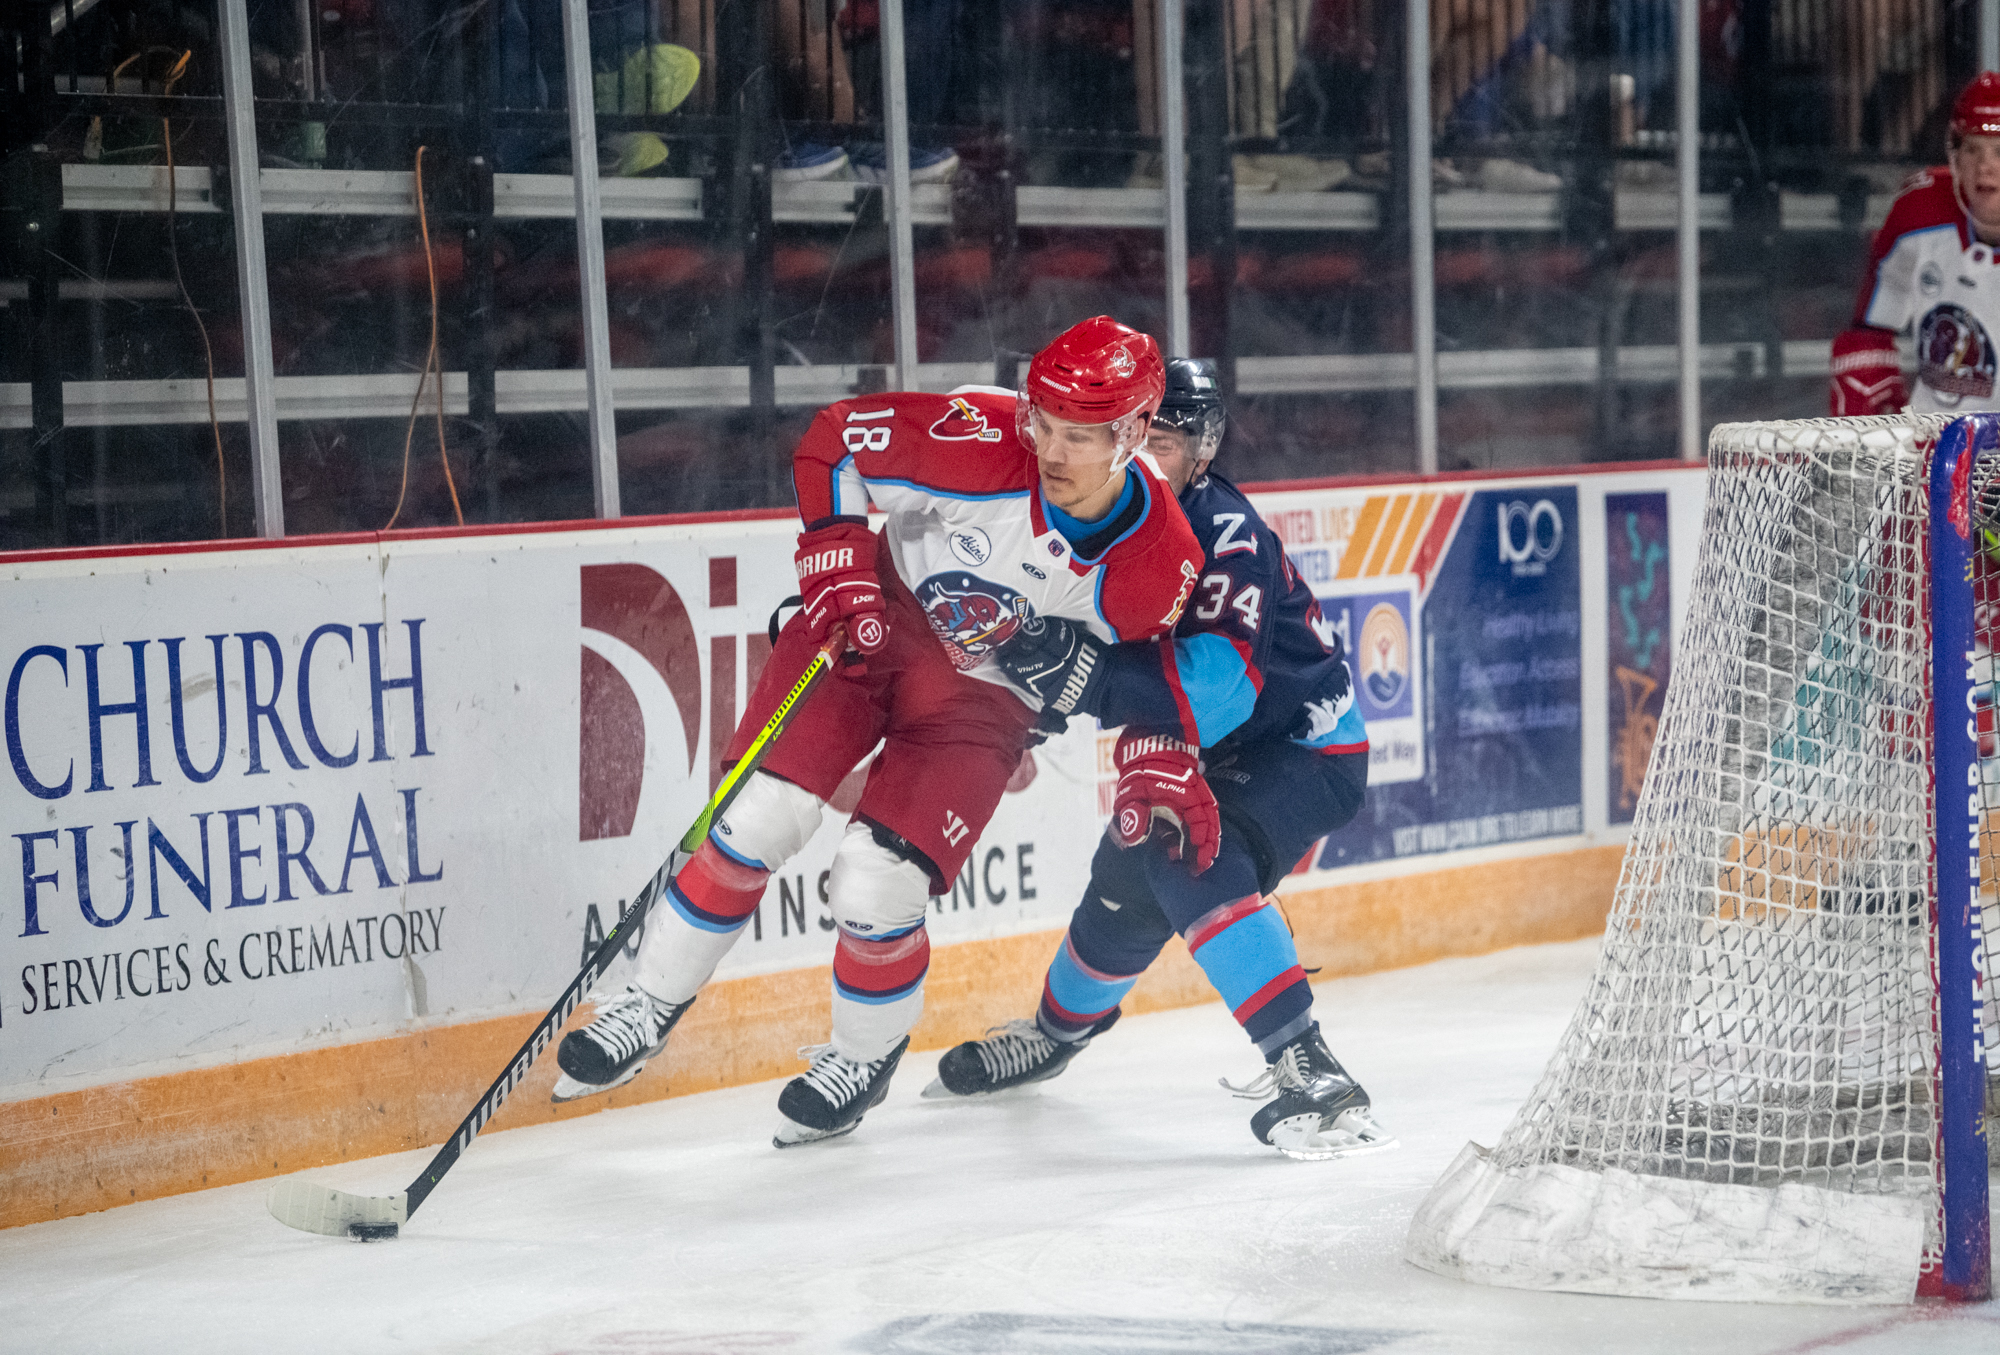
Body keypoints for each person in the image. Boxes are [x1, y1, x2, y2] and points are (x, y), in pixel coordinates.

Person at [553, 316, 1204, 1147]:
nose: (1051, 449)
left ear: (1136, 431)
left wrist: (1079, 693)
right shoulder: (975, 432)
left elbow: (1147, 685)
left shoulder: (1161, 560)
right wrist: (835, 558)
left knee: (876, 880)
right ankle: (646, 1002)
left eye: (1080, 435)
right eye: (1043, 422)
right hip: (870, 628)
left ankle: (859, 1060)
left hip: (981, 702)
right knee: (756, 815)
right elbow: (835, 441)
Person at [925, 359, 1390, 1162]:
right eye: (1127, 440)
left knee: (1185, 851)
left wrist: (1088, 680)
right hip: (1195, 747)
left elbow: (1220, 692)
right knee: (1122, 891)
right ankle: (1051, 1037)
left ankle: (1311, 1065)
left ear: (1200, 454)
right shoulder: (1084, 518)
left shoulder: (1226, 534)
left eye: (1163, 443)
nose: (1141, 461)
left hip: (1303, 747)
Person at [1833, 72, 2000, 416]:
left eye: (1999, 151)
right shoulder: (1918, 212)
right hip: (1932, 444)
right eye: (1972, 149)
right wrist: (1870, 388)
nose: (1985, 167)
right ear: (1954, 156)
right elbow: (1870, 330)